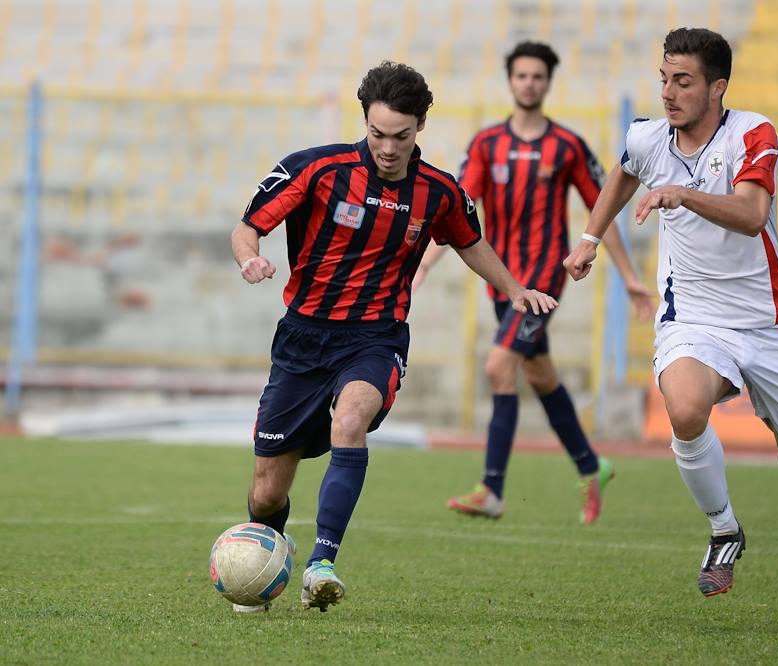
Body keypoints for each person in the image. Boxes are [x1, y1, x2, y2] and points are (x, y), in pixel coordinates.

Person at [563, 28, 778, 633]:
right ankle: (724, 528)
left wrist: (682, 195)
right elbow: (624, 172)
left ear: (717, 88)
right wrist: (590, 238)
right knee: (683, 406)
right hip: (694, 319)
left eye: (683, 81)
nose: (669, 92)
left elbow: (753, 215)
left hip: (770, 326)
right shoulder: (648, 138)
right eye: (664, 79)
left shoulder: (753, 133)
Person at [231, 61, 557, 614]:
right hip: (303, 339)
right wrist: (249, 259)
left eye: (400, 136)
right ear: (365, 121)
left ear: (420, 126)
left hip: (375, 338)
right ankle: (265, 557)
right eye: (377, 133)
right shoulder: (316, 169)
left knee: (351, 420)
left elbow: (468, 241)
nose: (387, 147)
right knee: (266, 493)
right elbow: (248, 228)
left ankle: (322, 563)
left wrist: (515, 289)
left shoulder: (439, 192)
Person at [415, 41, 654, 525]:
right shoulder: (486, 145)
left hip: (543, 280)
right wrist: (422, 266)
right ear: (511, 81)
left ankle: (492, 489)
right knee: (540, 375)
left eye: (537, 76)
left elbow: (602, 210)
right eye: (522, 75)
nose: (529, 83)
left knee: (498, 366)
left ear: (547, 83)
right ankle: (591, 465)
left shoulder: (567, 146)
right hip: (501, 282)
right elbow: (456, 213)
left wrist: (629, 277)